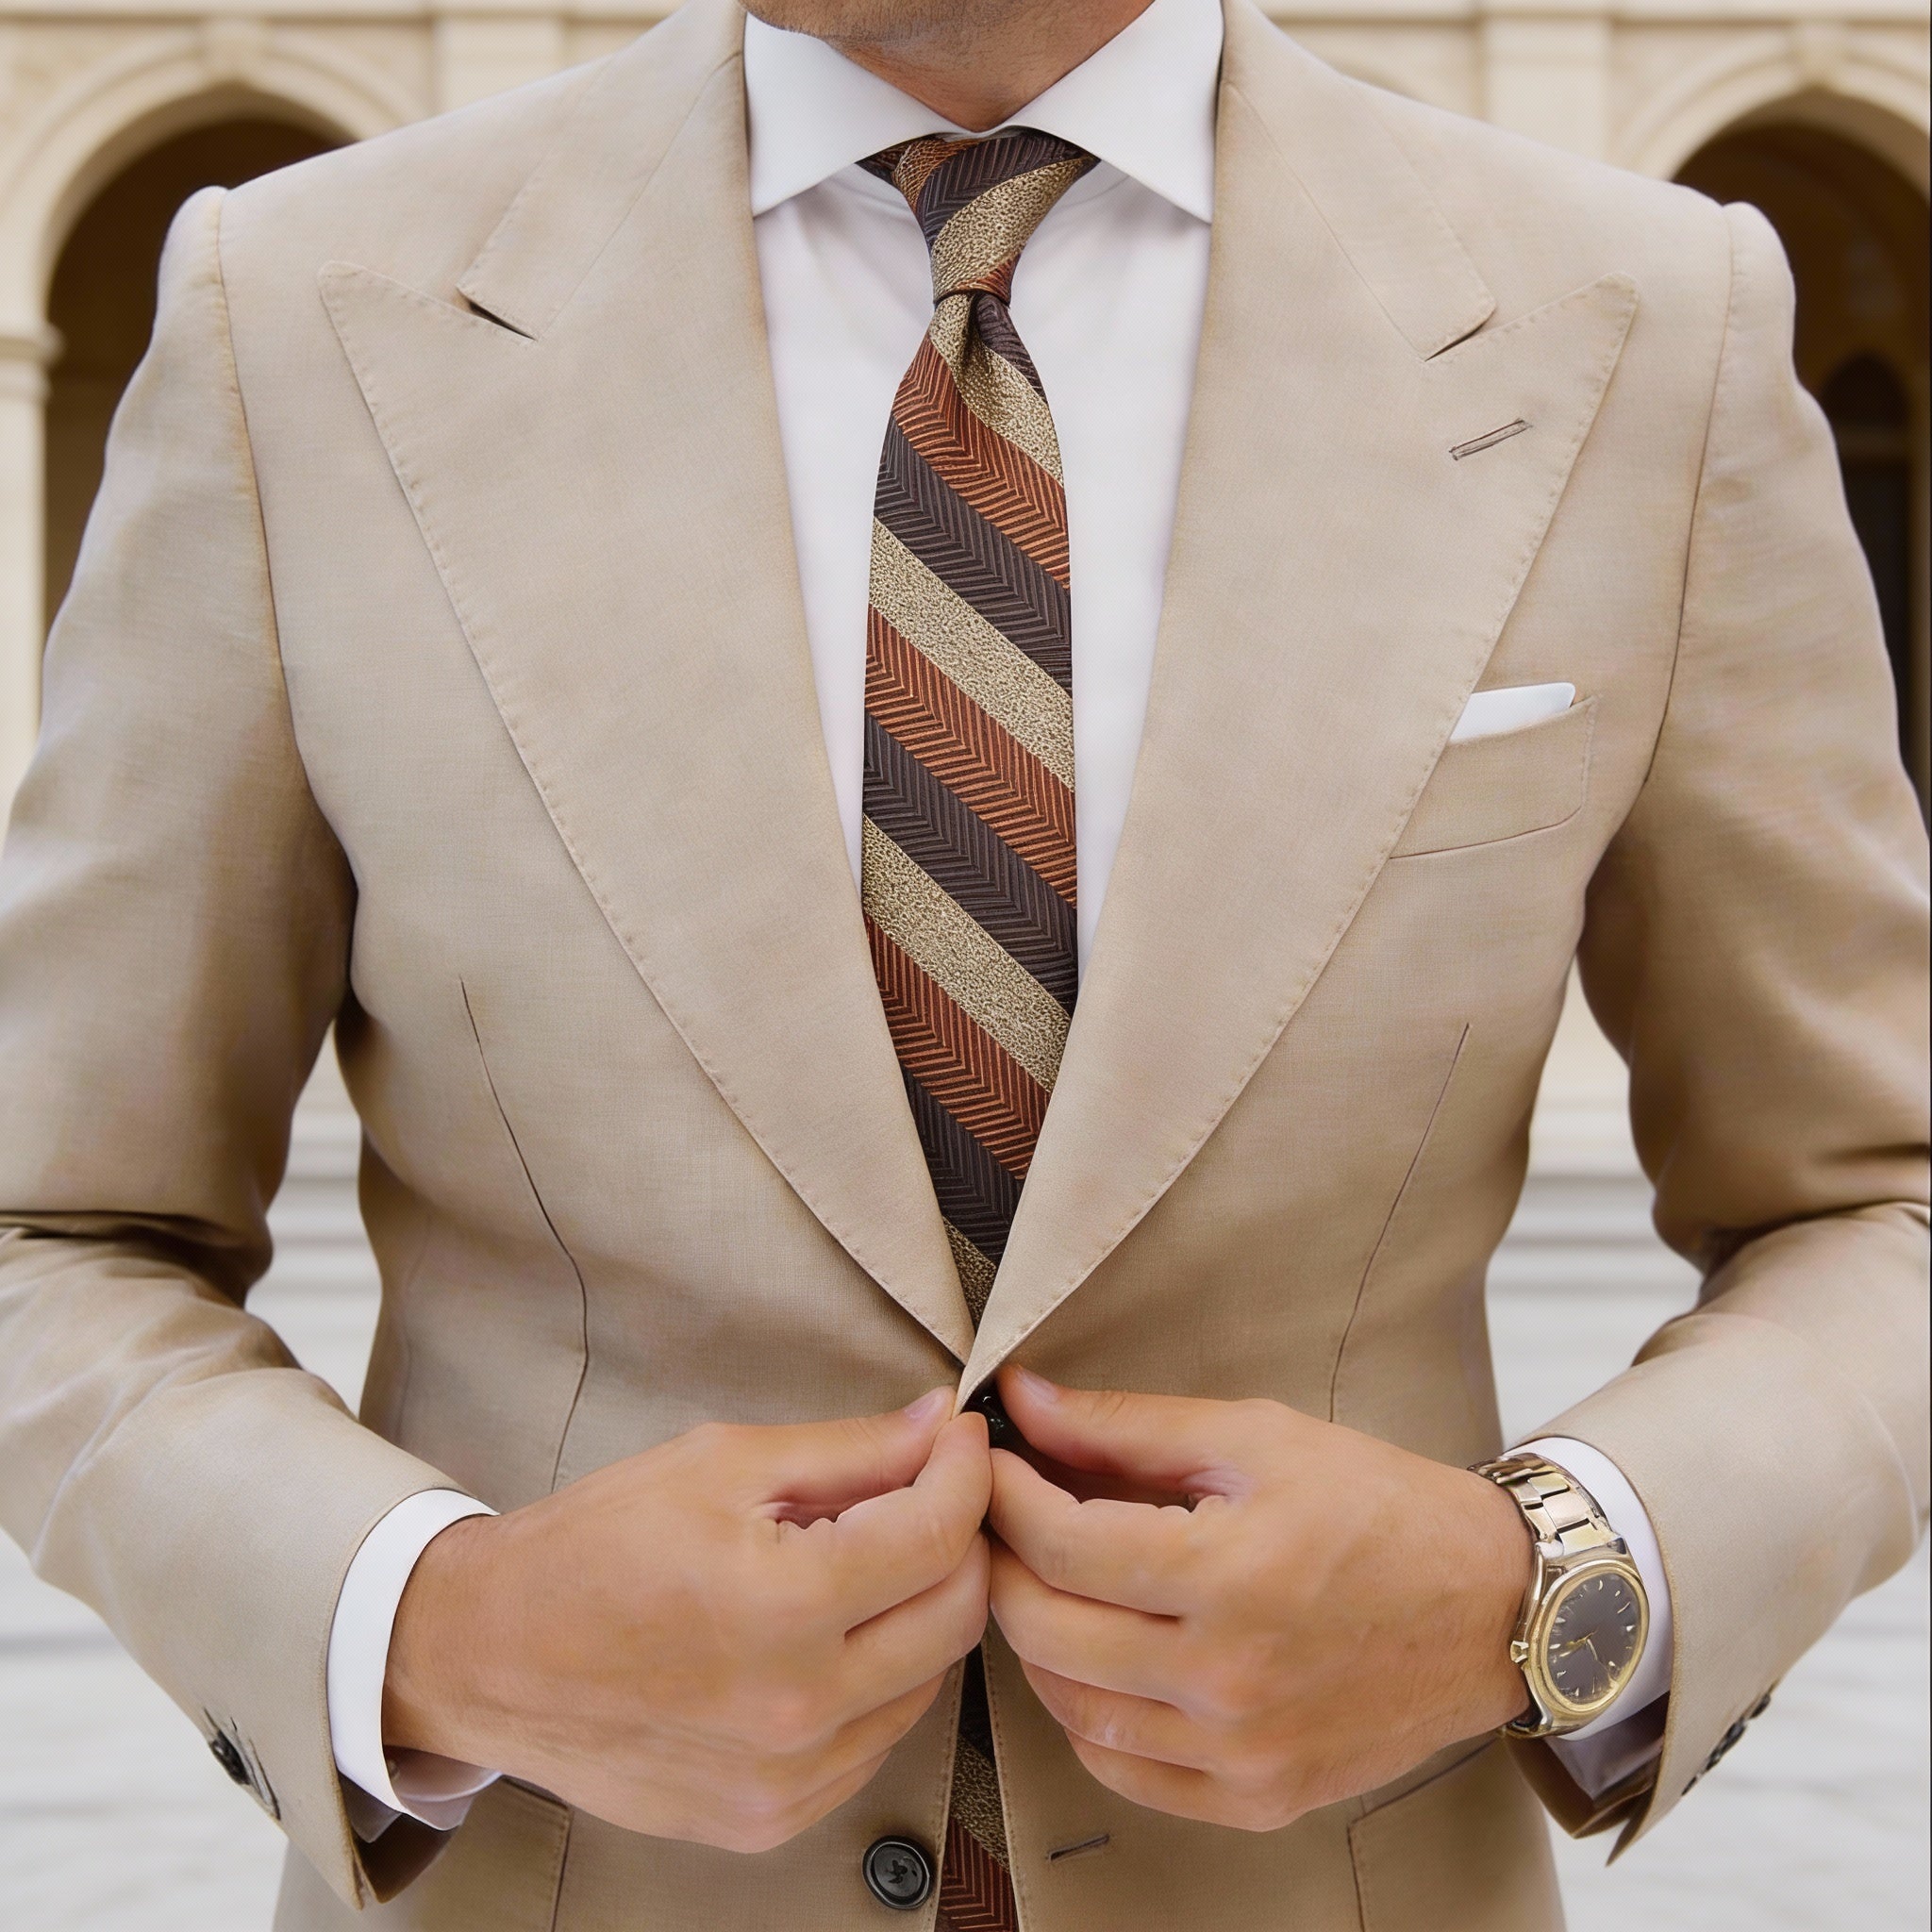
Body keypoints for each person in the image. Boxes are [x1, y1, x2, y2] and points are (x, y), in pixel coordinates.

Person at [0, 0, 1924, 1922]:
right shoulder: (303, 309)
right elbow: (51, 1226)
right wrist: (436, 1625)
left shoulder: (1639, 322)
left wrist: (1546, 1588)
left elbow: (1880, 1200)